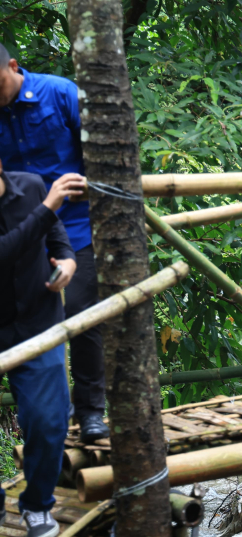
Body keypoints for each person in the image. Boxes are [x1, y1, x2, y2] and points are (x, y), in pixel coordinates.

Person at [0, 44, 108, 442]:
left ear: (13, 67)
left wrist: (91, 187)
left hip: (77, 227)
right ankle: (44, 422)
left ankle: (91, 411)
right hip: (21, 237)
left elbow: (103, 153)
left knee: (81, 313)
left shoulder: (59, 93)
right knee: (21, 323)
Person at [0, 161, 85, 537]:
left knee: (49, 421)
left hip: (39, 322)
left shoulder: (32, 186)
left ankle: (36, 506)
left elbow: (57, 237)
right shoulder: (44, 198)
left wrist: (67, 261)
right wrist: (48, 206)